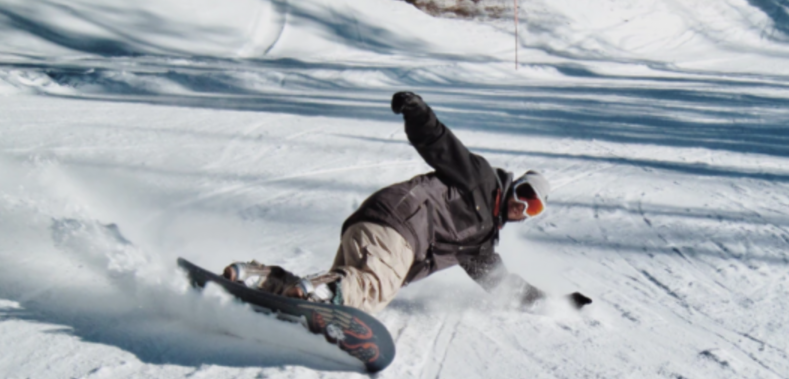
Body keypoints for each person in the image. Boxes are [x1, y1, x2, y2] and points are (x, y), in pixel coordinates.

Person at [223, 91, 591, 314]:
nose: (523, 208)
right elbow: (440, 145)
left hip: (373, 228)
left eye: (534, 208)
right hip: (397, 227)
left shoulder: (480, 246)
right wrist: (416, 111)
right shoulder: (480, 179)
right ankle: (318, 290)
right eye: (525, 196)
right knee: (372, 291)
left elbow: (503, 286)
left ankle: (260, 279)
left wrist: (554, 302)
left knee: (347, 288)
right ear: (515, 186)